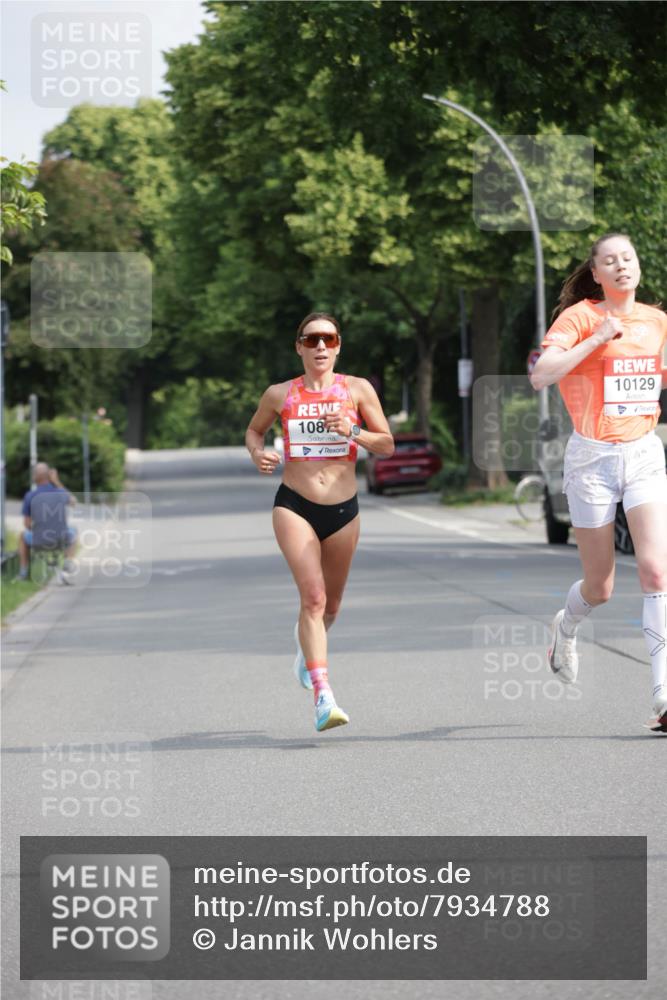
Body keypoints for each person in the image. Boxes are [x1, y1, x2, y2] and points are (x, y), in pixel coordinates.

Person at [530, 233, 667, 732]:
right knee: (601, 585)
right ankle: (565, 627)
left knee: (656, 573)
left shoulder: (657, 323)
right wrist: (597, 338)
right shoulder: (581, 317)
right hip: (592, 459)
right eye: (610, 261)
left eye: (628, 257)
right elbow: (542, 375)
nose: (621, 266)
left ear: (637, 266)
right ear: (596, 273)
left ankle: (662, 696)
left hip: (644, 453)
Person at [245, 312, 394, 732]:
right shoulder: (279, 394)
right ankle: (323, 696)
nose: (321, 347)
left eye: (328, 339)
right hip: (294, 505)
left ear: (339, 345)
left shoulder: (357, 389)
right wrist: (258, 455)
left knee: (331, 606)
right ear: (300, 347)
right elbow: (254, 432)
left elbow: (386, 444)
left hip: (344, 510)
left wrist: (353, 430)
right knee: (312, 599)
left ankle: (306, 654)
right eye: (312, 340)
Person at [18, 463, 77, 581]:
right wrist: (57, 481)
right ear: (49, 476)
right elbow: (73, 502)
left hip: (38, 541)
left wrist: (39, 531)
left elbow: (27, 524)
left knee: (22, 536)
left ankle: (23, 572)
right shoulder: (60, 492)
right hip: (61, 539)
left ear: (36, 477)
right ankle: (67, 563)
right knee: (73, 531)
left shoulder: (30, 496)